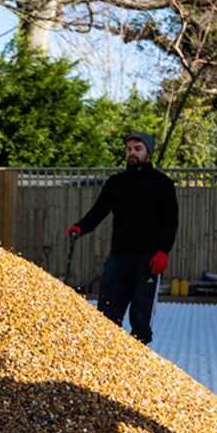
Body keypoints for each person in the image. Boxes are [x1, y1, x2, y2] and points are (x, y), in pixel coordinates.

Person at [65, 132, 178, 344]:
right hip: (119, 257)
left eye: (138, 149)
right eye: (129, 149)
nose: (132, 153)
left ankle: (139, 363)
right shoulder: (116, 183)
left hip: (148, 260)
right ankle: (109, 361)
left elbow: (170, 222)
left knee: (140, 317)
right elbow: (98, 212)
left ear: (148, 153)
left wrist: (163, 251)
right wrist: (80, 228)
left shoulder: (162, 184)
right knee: (106, 313)